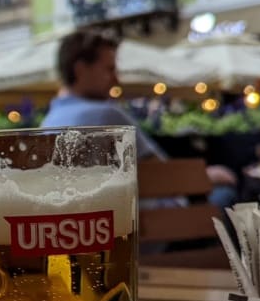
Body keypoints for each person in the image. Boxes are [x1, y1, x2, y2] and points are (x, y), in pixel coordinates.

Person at [41, 28, 238, 208]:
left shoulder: (48, 122)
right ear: (81, 69)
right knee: (226, 193)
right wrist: (210, 175)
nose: (116, 79)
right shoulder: (105, 114)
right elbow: (169, 175)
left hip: (93, 233)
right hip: (154, 233)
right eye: (109, 69)